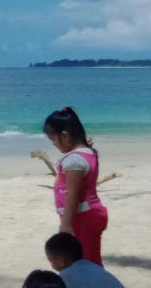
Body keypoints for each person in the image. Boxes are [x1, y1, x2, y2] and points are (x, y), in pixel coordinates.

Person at [43, 107, 109, 265]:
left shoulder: (74, 161)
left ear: (65, 136)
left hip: (81, 218)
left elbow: (73, 194)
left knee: (86, 261)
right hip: (86, 214)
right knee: (89, 257)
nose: (53, 144)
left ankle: (93, 287)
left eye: (53, 139)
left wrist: (66, 223)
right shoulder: (87, 153)